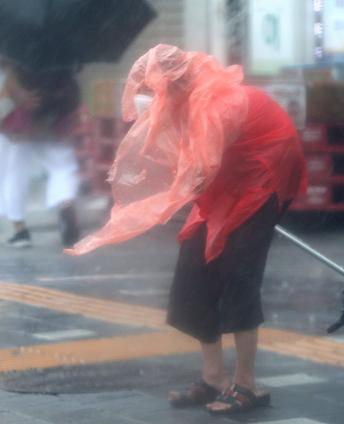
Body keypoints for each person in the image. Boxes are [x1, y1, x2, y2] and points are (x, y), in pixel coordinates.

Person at [66, 45, 307, 415]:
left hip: (263, 174)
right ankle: (214, 378)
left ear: (178, 82)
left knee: (238, 272)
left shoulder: (216, 104)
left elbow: (197, 171)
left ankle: (248, 384)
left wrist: (148, 209)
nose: (157, 94)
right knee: (194, 269)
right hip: (225, 176)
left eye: (160, 87)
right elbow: (175, 158)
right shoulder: (180, 103)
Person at [0, 62, 81, 248]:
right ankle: (64, 202)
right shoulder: (65, 60)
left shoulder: (19, 60)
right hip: (55, 122)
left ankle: (19, 230)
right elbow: (72, 97)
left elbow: (11, 94)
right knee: (63, 168)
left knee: (13, 174)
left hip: (20, 126)